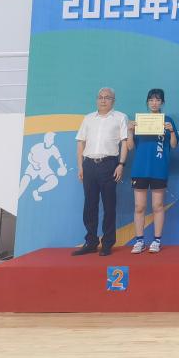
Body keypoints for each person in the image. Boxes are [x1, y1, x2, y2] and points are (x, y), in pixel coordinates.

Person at [72, 87, 129, 257]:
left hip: (109, 164)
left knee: (109, 205)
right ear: (97, 99)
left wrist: (121, 164)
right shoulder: (88, 118)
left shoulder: (120, 117)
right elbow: (80, 142)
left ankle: (107, 243)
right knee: (89, 205)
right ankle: (91, 242)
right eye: (100, 97)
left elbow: (124, 142)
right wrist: (80, 166)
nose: (103, 100)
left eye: (107, 97)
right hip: (89, 164)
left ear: (113, 101)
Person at [127, 88, 178, 254]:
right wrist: (129, 131)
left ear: (162, 102)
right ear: (147, 102)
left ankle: (156, 241)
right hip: (140, 169)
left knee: (157, 205)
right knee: (139, 206)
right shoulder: (139, 121)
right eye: (151, 100)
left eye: (157, 100)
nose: (154, 103)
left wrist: (171, 131)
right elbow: (130, 147)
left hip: (159, 169)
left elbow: (174, 145)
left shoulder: (167, 121)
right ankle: (139, 241)